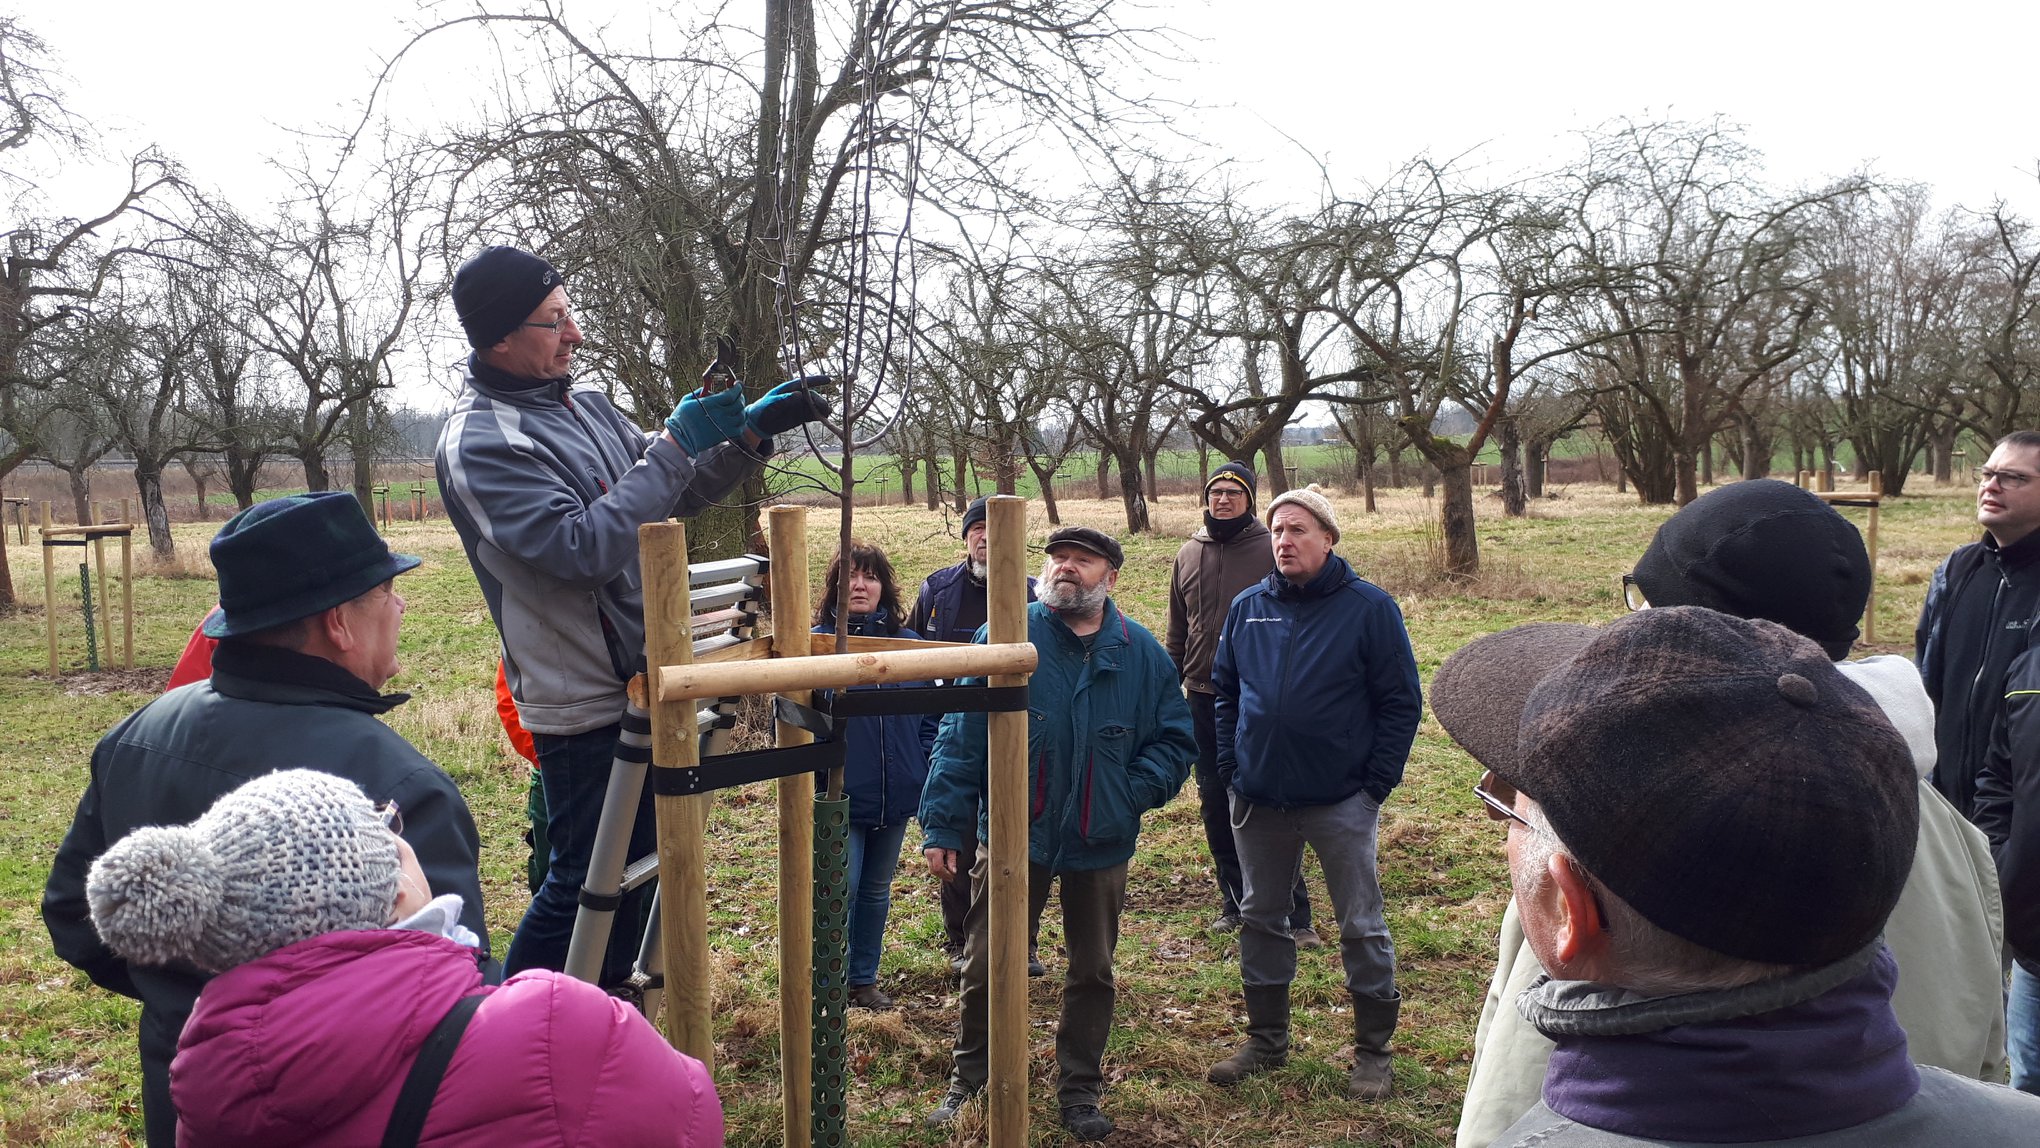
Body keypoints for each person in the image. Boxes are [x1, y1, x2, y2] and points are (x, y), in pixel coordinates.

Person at [1447, 479, 2009, 1147]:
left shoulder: (1605, 829)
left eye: (1643, 605)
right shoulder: (1948, 827)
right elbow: (1982, 1038)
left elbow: (1520, 1076)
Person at [435, 246, 830, 984]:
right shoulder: (481, 443)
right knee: (585, 882)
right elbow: (580, 548)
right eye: (555, 323)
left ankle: (605, 1020)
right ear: (497, 338)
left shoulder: (584, 406)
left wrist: (745, 434)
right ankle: (512, 1032)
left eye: (570, 315)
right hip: (584, 697)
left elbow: (665, 493)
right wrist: (677, 441)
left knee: (638, 876)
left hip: (654, 676)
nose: (575, 334)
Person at [41, 492, 487, 1147]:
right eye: (388, 591)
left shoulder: (133, 737)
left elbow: (75, 921)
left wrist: (187, 1005)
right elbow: (454, 1002)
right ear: (338, 622)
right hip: (351, 1121)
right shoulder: (398, 787)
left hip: (188, 1107)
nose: (401, 606)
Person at [87, 769, 724, 1147]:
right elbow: (695, 1117)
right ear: (387, 879)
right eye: (385, 824)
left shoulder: (206, 1091)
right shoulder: (553, 1025)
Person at [919, 526, 1195, 1142]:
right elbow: (959, 739)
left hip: (1100, 839)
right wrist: (943, 823)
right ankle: (972, 1081)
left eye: (1083, 560)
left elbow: (1176, 741)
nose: (1067, 568)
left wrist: (1130, 793)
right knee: (988, 961)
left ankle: (1079, 1090)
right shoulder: (1005, 639)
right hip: (1014, 838)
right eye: (1058, 558)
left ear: (1111, 578)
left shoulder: (1141, 652)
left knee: (1092, 970)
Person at [1205, 487, 1422, 1101]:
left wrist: (1374, 786)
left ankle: (1373, 1053)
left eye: (1298, 529)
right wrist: (1230, 764)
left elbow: (1401, 702)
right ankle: (1267, 1040)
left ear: (1328, 538)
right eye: (1277, 531)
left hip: (1339, 801)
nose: (1284, 541)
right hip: (1257, 797)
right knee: (1260, 918)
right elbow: (1225, 691)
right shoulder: (1249, 607)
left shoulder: (1369, 609)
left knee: (1360, 924)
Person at [1165, 461, 1318, 945]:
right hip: (1201, 699)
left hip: (1259, 700)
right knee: (1214, 802)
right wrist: (1170, 687)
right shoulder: (1189, 552)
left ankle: (1295, 913)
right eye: (1216, 492)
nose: (1223, 500)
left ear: (1250, 499)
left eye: (1234, 492)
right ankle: (1235, 901)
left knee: (1267, 801)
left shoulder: (1270, 548)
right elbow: (1177, 630)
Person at [905, 494, 1039, 973]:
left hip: (1015, 728)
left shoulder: (1034, 594)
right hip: (952, 731)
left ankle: (1022, 940)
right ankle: (961, 937)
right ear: (966, 538)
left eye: (995, 529)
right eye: (976, 529)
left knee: (1016, 836)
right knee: (956, 835)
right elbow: (912, 654)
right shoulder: (937, 591)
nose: (986, 537)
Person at [811, 541, 937, 1010]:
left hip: (897, 792)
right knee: (839, 889)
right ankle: (828, 982)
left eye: (870, 577)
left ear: (884, 587)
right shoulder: (814, 645)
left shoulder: (908, 647)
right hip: (839, 795)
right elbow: (788, 724)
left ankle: (862, 980)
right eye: (849, 577)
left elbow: (932, 718)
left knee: (875, 892)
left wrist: (918, 764)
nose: (859, 586)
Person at [1918, 430, 2040, 822]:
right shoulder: (1957, 570)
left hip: (2020, 825)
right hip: (1946, 811)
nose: (1991, 486)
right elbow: (1926, 686)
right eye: (1987, 474)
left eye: (2014, 478)